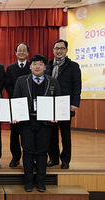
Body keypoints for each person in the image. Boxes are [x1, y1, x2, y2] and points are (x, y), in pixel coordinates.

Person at [12, 54, 61, 192]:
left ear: (45, 67)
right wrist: (16, 115)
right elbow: (16, 100)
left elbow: (57, 102)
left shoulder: (53, 81)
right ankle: (28, 180)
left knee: (42, 152)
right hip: (27, 122)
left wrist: (55, 115)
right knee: (27, 151)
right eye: (35, 64)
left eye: (40, 64)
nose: (37, 66)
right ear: (30, 66)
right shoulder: (22, 81)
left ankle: (40, 180)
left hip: (45, 122)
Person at [45, 39, 82, 169]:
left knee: (65, 134)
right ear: (53, 50)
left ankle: (65, 159)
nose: (59, 51)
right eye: (56, 48)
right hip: (50, 105)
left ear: (66, 50)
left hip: (65, 105)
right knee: (51, 134)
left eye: (61, 48)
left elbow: (77, 85)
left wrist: (75, 103)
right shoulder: (48, 65)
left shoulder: (73, 66)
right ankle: (53, 158)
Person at [5, 42, 31, 167]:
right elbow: (8, 84)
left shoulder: (33, 66)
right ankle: (15, 157)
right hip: (14, 104)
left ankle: (30, 156)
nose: (21, 52)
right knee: (14, 133)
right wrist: (16, 97)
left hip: (30, 104)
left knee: (29, 131)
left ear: (27, 53)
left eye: (24, 50)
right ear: (15, 53)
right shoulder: (10, 68)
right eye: (19, 50)